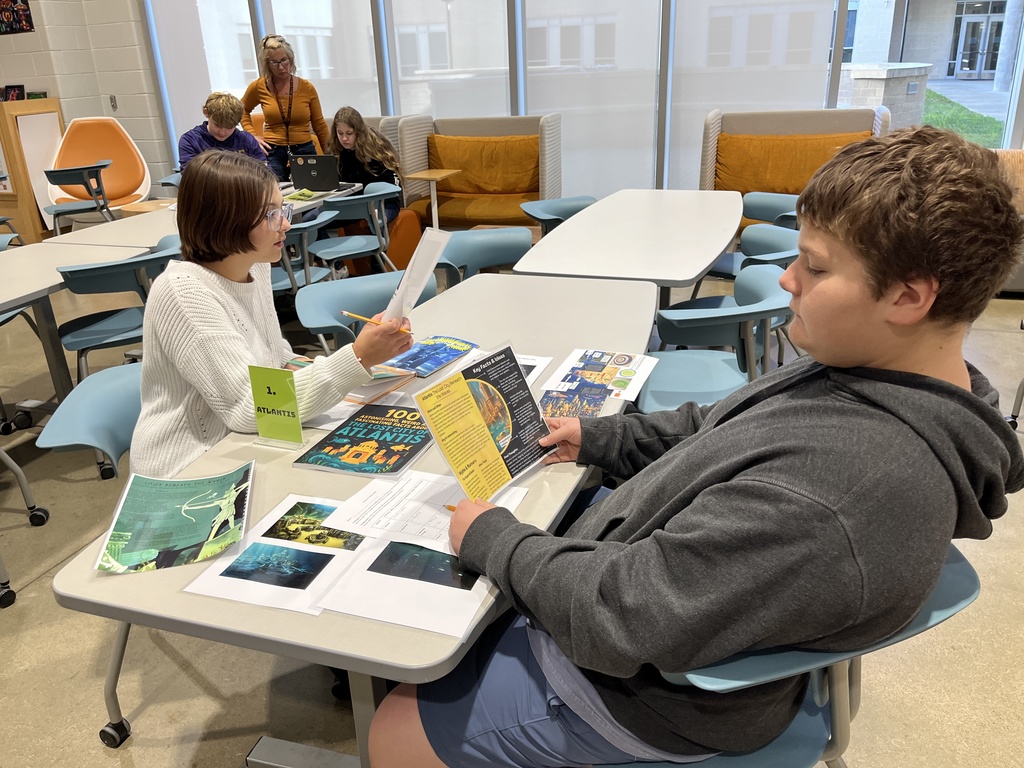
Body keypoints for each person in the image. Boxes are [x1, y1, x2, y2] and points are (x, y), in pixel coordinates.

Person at [367, 125, 1024, 768]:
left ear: (908, 296)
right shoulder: (878, 373)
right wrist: (604, 437)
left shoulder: (837, 494)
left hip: (645, 699)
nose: (789, 280)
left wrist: (495, 540)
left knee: (395, 728)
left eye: (816, 267)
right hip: (654, 594)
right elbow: (724, 428)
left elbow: (623, 613)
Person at [130, 152, 413, 480]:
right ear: (225, 219)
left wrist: (368, 366)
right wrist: (358, 357)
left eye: (283, 209)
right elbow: (250, 408)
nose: (286, 223)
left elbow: (274, 360)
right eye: (270, 214)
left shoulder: (256, 265)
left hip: (245, 446)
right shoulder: (184, 293)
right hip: (187, 467)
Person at [241, 34, 331, 182]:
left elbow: (319, 123)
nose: (281, 67)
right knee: (275, 190)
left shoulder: (307, 88)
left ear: (291, 59)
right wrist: (251, 135)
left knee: (312, 189)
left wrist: (329, 154)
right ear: (267, 64)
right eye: (274, 63)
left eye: (284, 60)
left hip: (303, 147)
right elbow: (242, 110)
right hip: (273, 149)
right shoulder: (259, 86)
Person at [329, 106, 404, 225]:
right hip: (353, 202)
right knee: (312, 219)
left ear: (358, 131)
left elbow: (393, 181)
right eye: (340, 133)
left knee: (377, 220)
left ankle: (382, 243)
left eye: (349, 133)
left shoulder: (375, 146)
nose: (344, 138)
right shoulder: (336, 149)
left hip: (383, 202)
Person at [177, 92, 267, 169]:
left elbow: (265, 170)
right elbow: (189, 174)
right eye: (217, 125)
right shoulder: (190, 140)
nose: (222, 132)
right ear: (206, 112)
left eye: (229, 127)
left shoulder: (246, 139)